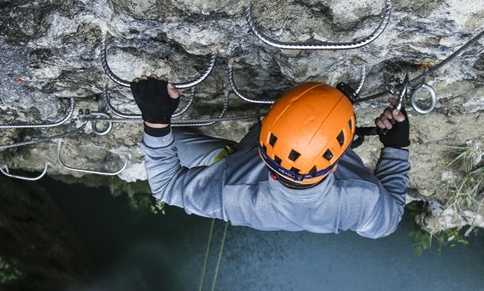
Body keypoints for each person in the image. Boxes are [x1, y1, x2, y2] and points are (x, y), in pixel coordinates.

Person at [131, 75, 410, 239]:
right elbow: (389, 220)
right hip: (250, 171)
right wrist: (396, 147)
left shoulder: (232, 193)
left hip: (238, 166)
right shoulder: (362, 200)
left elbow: (166, 186)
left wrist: (157, 121)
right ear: (336, 164)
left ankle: (232, 153)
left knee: (168, 141)